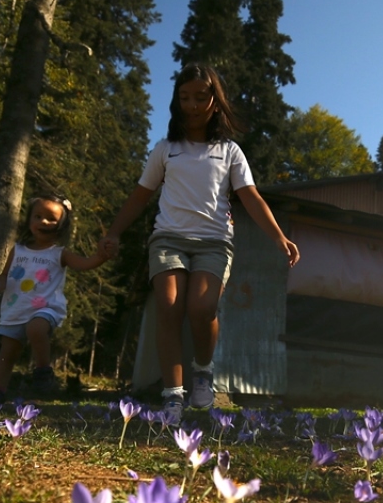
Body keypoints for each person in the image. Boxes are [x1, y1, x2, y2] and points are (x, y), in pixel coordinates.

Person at [101, 63, 299, 425]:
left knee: (202, 308)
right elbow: (140, 196)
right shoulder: (165, 149)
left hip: (213, 242)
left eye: (201, 97)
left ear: (215, 102)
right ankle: (173, 397)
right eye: (185, 97)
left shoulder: (229, 151)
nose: (192, 105)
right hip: (167, 239)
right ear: (177, 102)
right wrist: (113, 231)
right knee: (170, 306)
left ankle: (203, 371)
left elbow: (250, 196)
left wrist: (278, 236)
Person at [0, 194, 111, 402]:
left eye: (51, 218)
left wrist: (101, 256)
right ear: (29, 220)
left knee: (35, 328)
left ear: (61, 225)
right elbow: (4, 276)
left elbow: (84, 264)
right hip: (14, 309)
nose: (43, 221)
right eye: (38, 216)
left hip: (45, 308)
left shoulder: (59, 253)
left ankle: (43, 370)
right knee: (6, 354)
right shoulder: (17, 250)